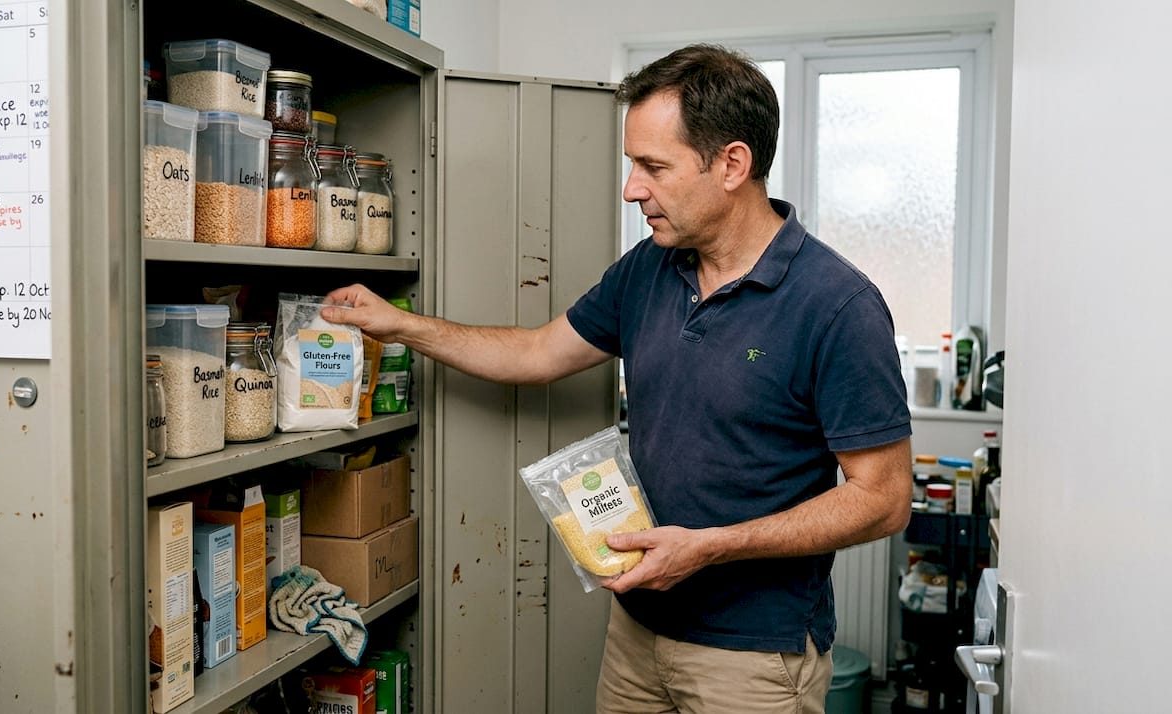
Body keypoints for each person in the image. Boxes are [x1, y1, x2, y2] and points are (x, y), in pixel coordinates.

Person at [321, 43, 913, 714]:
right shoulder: (650, 269)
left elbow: (884, 499)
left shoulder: (836, 306)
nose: (632, 188)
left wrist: (711, 549)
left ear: (732, 164)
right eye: (633, 164)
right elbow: (538, 354)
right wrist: (401, 326)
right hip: (637, 632)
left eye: (653, 167)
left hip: (752, 658)